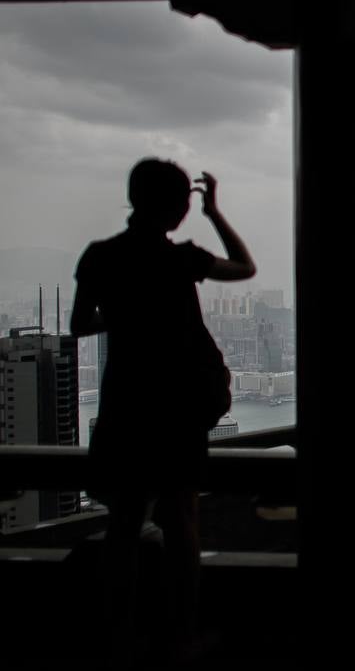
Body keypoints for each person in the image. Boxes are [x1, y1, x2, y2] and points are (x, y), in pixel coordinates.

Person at [70, 159, 255, 663]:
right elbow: (245, 267)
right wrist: (216, 213)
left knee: (124, 524)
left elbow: (80, 324)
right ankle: (180, 636)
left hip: (127, 401)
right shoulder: (183, 260)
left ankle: (117, 637)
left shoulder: (100, 256)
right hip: (178, 404)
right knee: (181, 520)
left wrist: (130, 311)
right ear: (178, 208)